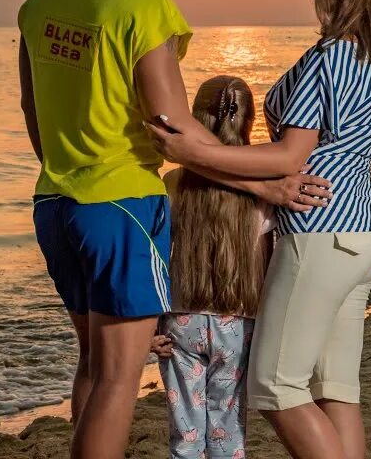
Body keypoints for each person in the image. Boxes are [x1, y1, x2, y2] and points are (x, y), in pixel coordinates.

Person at [17, 0, 331, 459]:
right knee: (117, 382)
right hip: (122, 208)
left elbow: (32, 111)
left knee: (92, 367)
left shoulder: (41, 1)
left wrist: (70, 168)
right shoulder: (144, 7)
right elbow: (176, 131)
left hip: (55, 204)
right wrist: (261, 185)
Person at [150, 0, 371, 459]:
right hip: (366, 232)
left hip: (322, 232)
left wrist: (194, 155)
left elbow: (290, 158)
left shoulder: (329, 56)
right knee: (336, 390)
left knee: (276, 386)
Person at [158, 75, 272, 459]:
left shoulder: (173, 183)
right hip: (238, 322)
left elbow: (155, 261)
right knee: (228, 429)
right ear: (249, 122)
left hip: (182, 317)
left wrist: (148, 321)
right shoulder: (263, 189)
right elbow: (270, 264)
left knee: (185, 435)